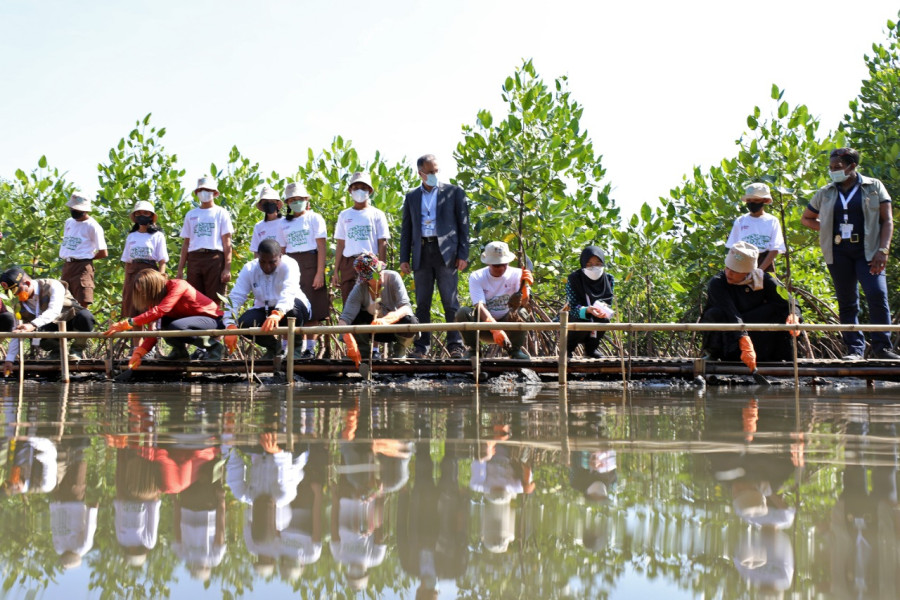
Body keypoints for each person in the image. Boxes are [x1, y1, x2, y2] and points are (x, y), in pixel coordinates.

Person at [801, 147, 898, 360]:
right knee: (847, 301)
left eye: (838, 167)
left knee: (877, 294)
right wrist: (828, 229)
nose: (833, 171)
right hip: (838, 252)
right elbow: (806, 218)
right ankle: (854, 350)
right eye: (831, 167)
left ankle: (883, 348)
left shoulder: (874, 186)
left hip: (869, 251)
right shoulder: (826, 192)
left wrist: (884, 250)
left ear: (852, 166)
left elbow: (887, 220)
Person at [399, 154, 470, 359]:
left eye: (436, 171)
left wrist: (463, 254)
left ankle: (455, 345)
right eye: (430, 172)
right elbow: (407, 229)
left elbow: (463, 225)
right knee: (422, 303)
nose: (434, 175)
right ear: (420, 173)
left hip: (446, 253)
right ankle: (422, 347)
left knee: (450, 301)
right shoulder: (411, 196)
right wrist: (405, 258)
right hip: (422, 252)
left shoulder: (454, 192)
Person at [700, 242, 799, 371]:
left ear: (748, 272)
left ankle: (778, 358)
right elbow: (731, 313)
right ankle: (714, 355)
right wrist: (744, 340)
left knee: (778, 310)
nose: (729, 273)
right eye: (728, 268)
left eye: (736, 271)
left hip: (755, 332)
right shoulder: (717, 283)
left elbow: (789, 302)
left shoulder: (764, 279)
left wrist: (794, 316)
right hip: (729, 332)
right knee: (715, 313)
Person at [103, 269, 225, 367]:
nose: (143, 296)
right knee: (165, 325)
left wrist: (129, 322)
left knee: (176, 327)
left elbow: (162, 310)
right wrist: (139, 352)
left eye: (144, 292)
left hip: (213, 319)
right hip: (189, 322)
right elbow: (157, 331)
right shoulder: (155, 302)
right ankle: (179, 352)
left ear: (152, 287)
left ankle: (214, 347)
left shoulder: (178, 285)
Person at [223, 239, 311, 360]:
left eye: (272, 262)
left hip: (293, 305)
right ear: (258, 257)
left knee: (293, 311)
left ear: (280, 256)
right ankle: (275, 348)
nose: (267, 266)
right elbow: (236, 296)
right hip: (264, 308)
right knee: (244, 323)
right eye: (262, 262)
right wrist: (230, 324)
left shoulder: (290, 264)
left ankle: (295, 350)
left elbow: (289, 291)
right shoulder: (249, 269)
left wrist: (278, 312)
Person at [455, 241, 534, 360]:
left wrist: (525, 287)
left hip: (509, 325)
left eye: (504, 264)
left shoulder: (518, 274)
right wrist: (495, 328)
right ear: (489, 263)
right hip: (484, 328)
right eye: (497, 265)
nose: (501, 268)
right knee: (463, 312)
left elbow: (524, 303)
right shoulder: (477, 276)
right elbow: (480, 306)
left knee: (522, 313)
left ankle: (515, 350)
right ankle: (473, 350)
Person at [0, 268, 95, 364]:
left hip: (70, 321)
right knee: (33, 330)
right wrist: (9, 359)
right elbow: (17, 331)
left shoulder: (53, 285)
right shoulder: (17, 303)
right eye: (10, 293)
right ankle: (57, 351)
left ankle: (76, 350)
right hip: (49, 330)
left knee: (86, 317)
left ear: (27, 283)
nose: (15, 294)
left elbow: (54, 311)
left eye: (16, 290)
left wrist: (32, 325)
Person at [338, 253, 418, 365]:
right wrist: (348, 339)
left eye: (379, 271)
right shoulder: (359, 289)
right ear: (365, 280)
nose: (379, 275)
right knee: (355, 318)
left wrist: (388, 319)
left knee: (410, 321)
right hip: (371, 330)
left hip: (394, 328)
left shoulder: (393, 277)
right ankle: (362, 353)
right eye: (373, 275)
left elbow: (405, 306)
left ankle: (400, 349)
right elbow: (344, 319)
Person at [282, 182, 329, 359]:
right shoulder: (283, 223)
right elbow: (282, 250)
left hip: (311, 262)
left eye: (299, 199)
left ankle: (310, 348)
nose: (296, 202)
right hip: (290, 263)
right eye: (292, 200)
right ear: (287, 203)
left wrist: (319, 273)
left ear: (306, 200)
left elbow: (321, 247)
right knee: (289, 306)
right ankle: (288, 348)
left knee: (313, 308)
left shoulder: (315, 218)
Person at [331, 172, 390, 303]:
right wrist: (336, 271)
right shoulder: (344, 215)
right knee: (349, 301)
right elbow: (340, 244)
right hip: (348, 264)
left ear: (370, 190)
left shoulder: (377, 214)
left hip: (371, 263)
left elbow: (382, 242)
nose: (359, 191)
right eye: (356, 187)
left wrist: (381, 268)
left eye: (363, 188)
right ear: (350, 191)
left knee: (372, 302)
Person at [176, 176, 234, 305]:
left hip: (214, 258)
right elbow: (186, 244)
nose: (204, 192)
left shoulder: (221, 213)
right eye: (201, 190)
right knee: (194, 297)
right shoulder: (191, 215)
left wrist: (227, 268)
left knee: (215, 298)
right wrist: (180, 269)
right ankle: (199, 324)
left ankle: (216, 323)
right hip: (194, 259)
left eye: (207, 189)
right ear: (197, 193)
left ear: (215, 192)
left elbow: (227, 243)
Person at [120, 200, 169, 319]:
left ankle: (151, 337)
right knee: (132, 308)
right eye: (139, 213)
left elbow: (162, 260)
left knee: (149, 308)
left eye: (146, 213)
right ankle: (135, 337)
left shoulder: (158, 236)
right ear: (135, 217)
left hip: (150, 273)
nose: (142, 215)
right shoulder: (131, 236)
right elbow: (127, 261)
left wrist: (160, 279)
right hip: (133, 273)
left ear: (151, 216)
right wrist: (126, 282)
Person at [59, 191, 108, 308]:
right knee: (64, 302)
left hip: (83, 267)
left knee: (82, 301)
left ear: (85, 210)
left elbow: (103, 252)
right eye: (73, 208)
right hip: (67, 266)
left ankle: (82, 325)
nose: (74, 211)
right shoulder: (69, 222)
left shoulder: (93, 226)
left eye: (78, 209)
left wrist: (87, 258)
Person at [725, 182, 786, 273]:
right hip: (742, 262)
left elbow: (775, 248)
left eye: (756, 200)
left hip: (765, 263)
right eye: (749, 201)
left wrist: (759, 270)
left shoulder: (772, 221)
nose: (752, 203)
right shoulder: (740, 221)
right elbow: (733, 248)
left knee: (770, 286)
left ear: (764, 200)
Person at [565, 246, 614, 358]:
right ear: (583, 264)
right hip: (577, 315)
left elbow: (608, 300)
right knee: (581, 320)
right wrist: (587, 310)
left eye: (598, 263)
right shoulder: (574, 279)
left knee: (604, 319)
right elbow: (572, 306)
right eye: (589, 264)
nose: (594, 267)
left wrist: (603, 309)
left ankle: (591, 349)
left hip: (597, 313)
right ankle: (569, 349)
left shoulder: (609, 279)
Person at [250, 185, 287, 258]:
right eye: (265, 202)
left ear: (277, 204)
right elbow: (256, 251)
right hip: (265, 265)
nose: (269, 204)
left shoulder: (285, 222)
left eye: (271, 201)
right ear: (262, 205)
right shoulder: (258, 227)